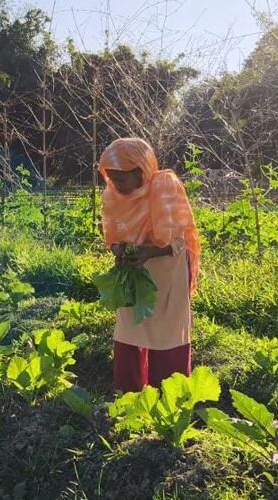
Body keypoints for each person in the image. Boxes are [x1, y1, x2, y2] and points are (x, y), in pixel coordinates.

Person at [98, 137, 201, 393]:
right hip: (134, 274)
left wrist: (150, 252)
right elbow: (112, 235)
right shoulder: (112, 196)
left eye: (120, 178)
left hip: (167, 274)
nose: (115, 184)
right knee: (129, 333)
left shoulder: (166, 187)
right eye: (111, 178)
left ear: (140, 172)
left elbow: (178, 240)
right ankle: (131, 397)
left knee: (167, 335)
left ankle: (169, 399)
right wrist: (118, 248)